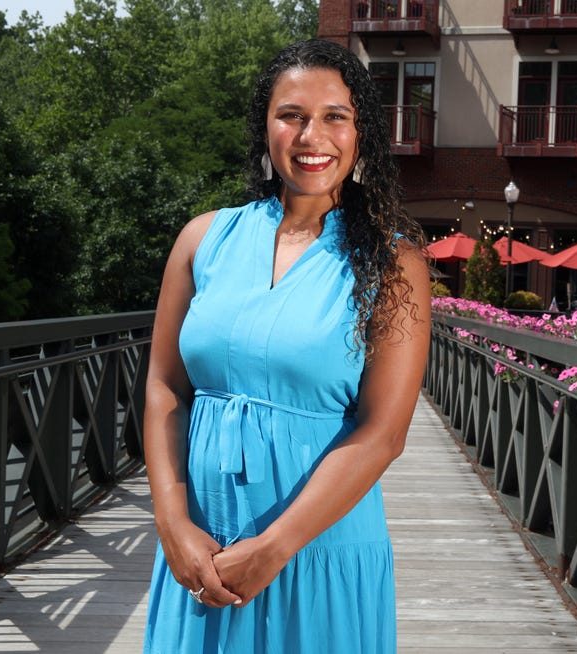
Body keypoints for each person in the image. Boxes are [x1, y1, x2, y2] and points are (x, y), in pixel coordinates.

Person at [142, 39, 430, 653]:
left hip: (317, 546)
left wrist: (274, 547)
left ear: (361, 136)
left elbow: (384, 432)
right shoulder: (202, 239)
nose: (312, 135)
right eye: (292, 114)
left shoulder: (392, 262)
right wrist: (172, 524)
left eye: (335, 116)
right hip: (201, 548)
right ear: (265, 128)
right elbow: (166, 387)